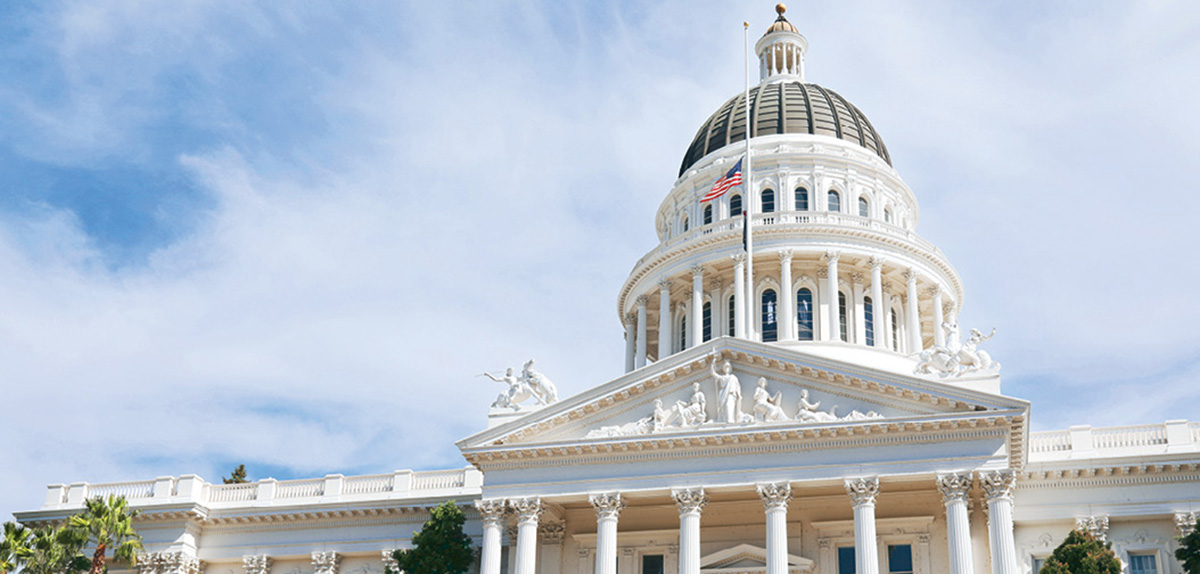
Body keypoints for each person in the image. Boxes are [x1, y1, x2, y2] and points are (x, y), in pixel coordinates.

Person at [711, 354, 743, 424]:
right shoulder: (722, 377)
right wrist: (713, 364)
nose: (727, 369)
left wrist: (739, 395)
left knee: (729, 405)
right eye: (725, 368)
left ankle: (730, 419)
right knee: (723, 408)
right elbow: (713, 373)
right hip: (722, 394)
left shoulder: (733, 377)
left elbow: (737, 387)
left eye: (728, 367)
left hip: (730, 394)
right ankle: (724, 419)